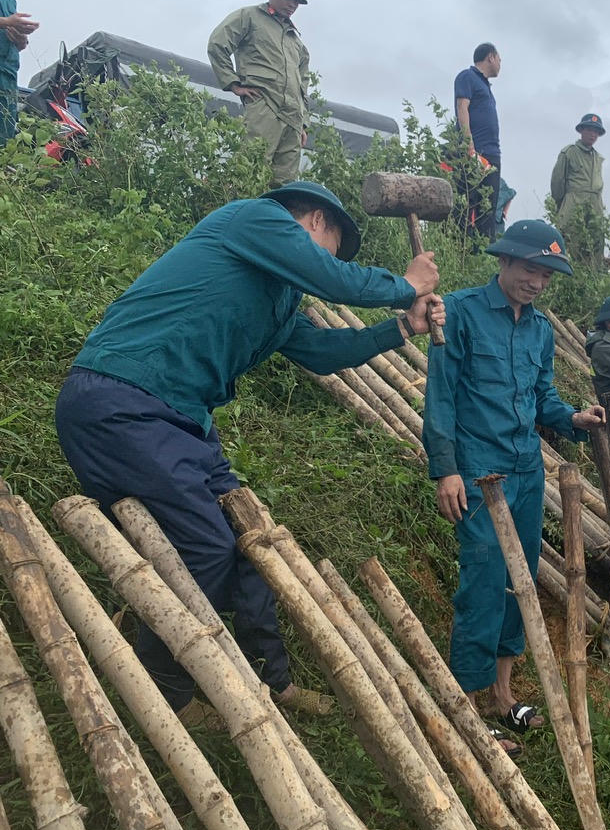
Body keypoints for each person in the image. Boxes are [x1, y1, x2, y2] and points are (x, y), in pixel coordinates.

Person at [55, 181, 445, 728]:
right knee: (203, 550)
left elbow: (325, 352)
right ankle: (164, 690)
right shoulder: (254, 219)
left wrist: (403, 325)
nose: (325, 261)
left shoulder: (277, 298)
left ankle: (273, 681)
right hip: (124, 397)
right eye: (332, 246)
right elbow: (330, 278)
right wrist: (404, 285)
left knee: (247, 542)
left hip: (181, 421)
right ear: (313, 221)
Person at [423, 220, 605, 752]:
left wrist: (572, 418)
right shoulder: (458, 313)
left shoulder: (540, 329)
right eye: (530, 269)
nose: (537, 282)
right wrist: (446, 469)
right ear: (503, 262)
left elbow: (541, 397)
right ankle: (468, 707)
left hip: (526, 471)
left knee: (518, 582)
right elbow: (441, 398)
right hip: (479, 475)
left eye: (546, 274)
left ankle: (503, 695)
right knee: (482, 582)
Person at [208, 0, 311, 187]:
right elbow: (218, 44)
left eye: (296, 1)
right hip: (264, 105)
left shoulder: (297, 42)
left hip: (293, 118)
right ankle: (245, 219)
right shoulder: (249, 17)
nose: (292, 4)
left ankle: (276, 221)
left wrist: (303, 124)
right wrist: (233, 83)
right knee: (251, 172)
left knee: (285, 186)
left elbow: (303, 85)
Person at [452, 42, 503, 240]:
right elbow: (462, 107)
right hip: (476, 153)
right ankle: (461, 251)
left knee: (487, 209)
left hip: (492, 154)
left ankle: (484, 254)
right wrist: (468, 145)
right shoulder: (467, 77)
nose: (500, 64)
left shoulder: (486, 87)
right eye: (499, 59)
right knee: (466, 205)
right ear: (490, 56)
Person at [549, 113, 606, 260]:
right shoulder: (569, 152)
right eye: (589, 130)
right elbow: (557, 182)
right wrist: (562, 205)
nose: (593, 134)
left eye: (596, 132)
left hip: (595, 204)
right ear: (581, 131)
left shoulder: (598, 158)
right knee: (567, 239)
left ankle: (591, 277)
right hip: (573, 200)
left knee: (596, 242)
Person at [0, 0, 38, 142]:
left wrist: (20, 38)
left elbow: (14, 37)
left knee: (4, 136)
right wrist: (7, 22)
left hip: (7, 75)